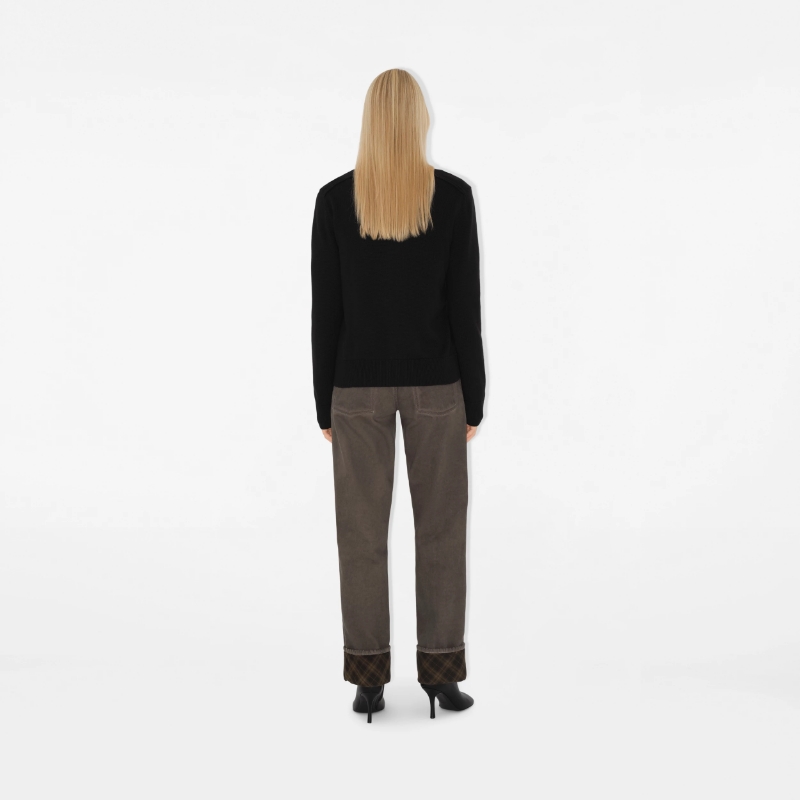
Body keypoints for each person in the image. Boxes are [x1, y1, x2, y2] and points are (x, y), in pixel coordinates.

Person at [310, 68, 486, 723]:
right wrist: (474, 397)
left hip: (355, 388)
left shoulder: (335, 199)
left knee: (360, 535)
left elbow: (326, 311)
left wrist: (323, 399)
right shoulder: (453, 197)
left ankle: (369, 680)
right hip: (437, 385)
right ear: (419, 118)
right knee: (441, 530)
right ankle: (439, 675)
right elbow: (463, 308)